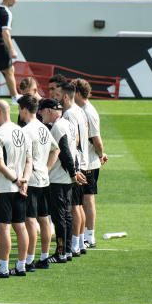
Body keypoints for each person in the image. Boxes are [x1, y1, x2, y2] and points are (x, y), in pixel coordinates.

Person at [0, 100, 32, 278]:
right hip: (20, 187)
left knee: (4, 228)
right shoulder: (22, 132)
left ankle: (3, 269)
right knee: (20, 226)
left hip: (4, 187)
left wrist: (17, 180)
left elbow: (0, 164)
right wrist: (24, 180)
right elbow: (29, 161)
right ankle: (21, 266)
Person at [40, 97, 86, 263]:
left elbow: (64, 151)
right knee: (66, 215)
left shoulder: (58, 126)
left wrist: (73, 173)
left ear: (49, 111)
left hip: (59, 178)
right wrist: (74, 172)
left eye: (41, 111)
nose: (40, 115)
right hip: (66, 178)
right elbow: (73, 151)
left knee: (60, 217)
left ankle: (60, 253)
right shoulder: (68, 124)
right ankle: (65, 250)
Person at [19, 94, 53, 271]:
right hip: (44, 180)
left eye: (20, 109)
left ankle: (29, 260)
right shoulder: (44, 128)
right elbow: (56, 149)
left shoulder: (25, 131)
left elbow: (24, 158)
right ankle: (44, 257)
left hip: (31, 180)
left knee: (30, 220)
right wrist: (46, 168)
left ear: (25, 110)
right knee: (44, 219)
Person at [73, 78, 107, 248]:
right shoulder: (81, 110)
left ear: (78, 93)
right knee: (82, 200)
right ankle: (83, 235)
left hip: (89, 164)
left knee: (87, 200)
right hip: (85, 162)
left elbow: (97, 140)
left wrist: (101, 155)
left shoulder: (88, 112)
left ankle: (90, 236)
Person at [60, 81, 90, 257]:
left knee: (75, 207)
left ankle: (76, 245)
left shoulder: (70, 114)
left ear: (65, 96)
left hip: (77, 164)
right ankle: (80, 242)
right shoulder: (80, 111)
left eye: (58, 96)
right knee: (78, 205)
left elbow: (75, 140)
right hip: (84, 162)